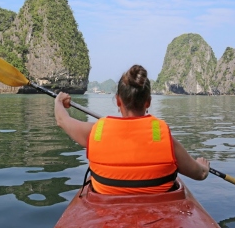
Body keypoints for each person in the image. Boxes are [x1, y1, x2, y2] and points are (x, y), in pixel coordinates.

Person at [54, 64, 210, 195]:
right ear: (148, 102)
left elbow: (62, 120)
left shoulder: (95, 132)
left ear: (117, 100)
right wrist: (202, 165)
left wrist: (59, 101)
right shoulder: (164, 138)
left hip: (106, 213)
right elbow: (200, 174)